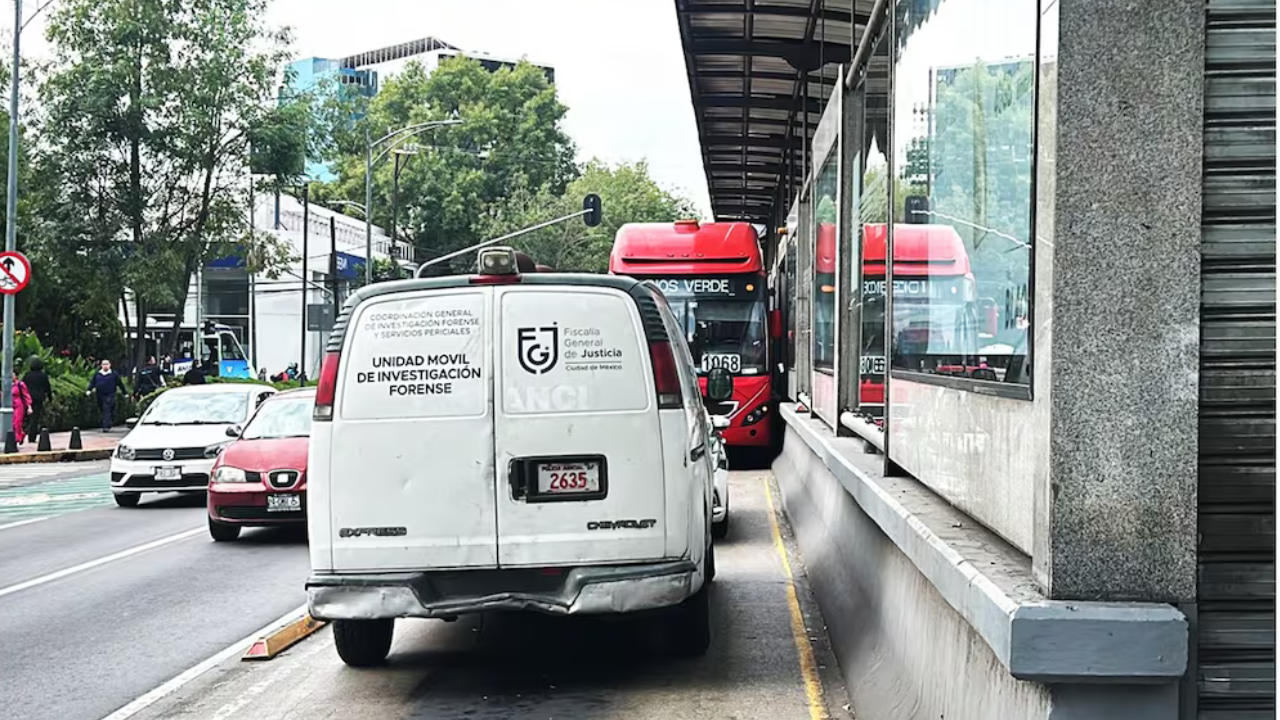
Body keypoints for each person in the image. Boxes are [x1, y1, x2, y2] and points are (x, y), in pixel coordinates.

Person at [86, 359, 128, 432]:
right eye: (104, 364)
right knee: (103, 409)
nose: (105, 366)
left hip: (110, 394)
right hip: (100, 395)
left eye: (107, 364)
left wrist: (125, 393)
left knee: (107, 408)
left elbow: (120, 384)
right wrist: (89, 390)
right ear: (101, 365)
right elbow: (93, 382)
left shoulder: (114, 374)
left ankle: (105, 426)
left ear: (109, 365)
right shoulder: (97, 374)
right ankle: (109, 422)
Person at [21, 356, 52, 441]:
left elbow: (22, 386)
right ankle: (32, 436)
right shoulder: (43, 376)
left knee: (26, 417)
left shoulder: (27, 375)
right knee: (35, 418)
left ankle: (24, 433)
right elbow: (47, 387)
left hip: (27, 398)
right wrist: (50, 398)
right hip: (38, 399)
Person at [11, 371, 31, 445]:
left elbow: (26, 395)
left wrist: (29, 406)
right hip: (10, 405)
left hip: (18, 405)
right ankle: (21, 435)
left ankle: (17, 439)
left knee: (17, 422)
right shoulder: (6, 385)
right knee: (11, 423)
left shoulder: (20, 384)